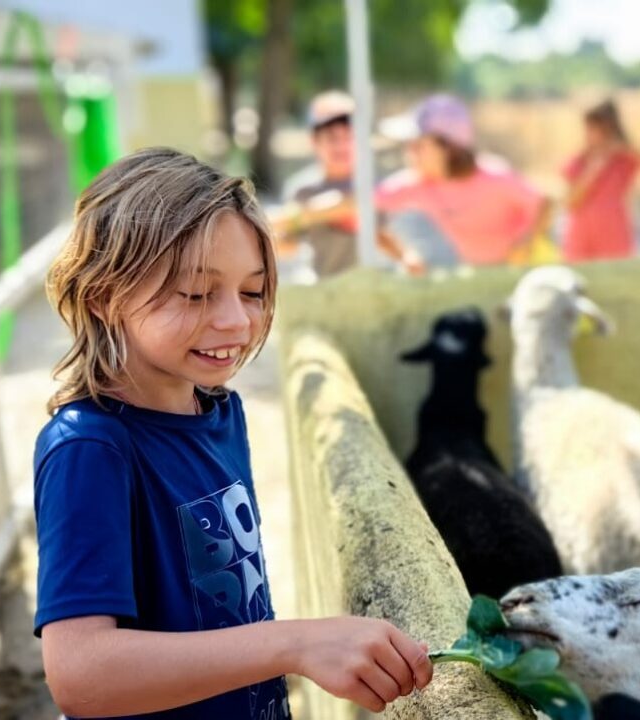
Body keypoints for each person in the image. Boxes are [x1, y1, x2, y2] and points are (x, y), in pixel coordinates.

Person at [34, 147, 432, 718]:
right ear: (103, 296)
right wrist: (295, 643)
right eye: (196, 294)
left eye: (251, 292)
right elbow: (80, 673)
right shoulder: (90, 449)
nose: (236, 321)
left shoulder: (220, 411)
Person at [375, 94, 553, 267]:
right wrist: (404, 256)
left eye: (418, 145)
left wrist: (526, 243)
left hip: (527, 270)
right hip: (480, 274)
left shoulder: (494, 177)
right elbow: (363, 210)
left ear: (448, 149)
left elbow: (543, 203)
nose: (409, 152)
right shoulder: (417, 182)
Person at [271, 91, 424, 275]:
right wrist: (280, 237)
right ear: (315, 141)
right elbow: (290, 243)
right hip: (322, 283)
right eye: (332, 138)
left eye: (348, 137)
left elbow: (380, 234)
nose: (341, 146)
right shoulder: (303, 189)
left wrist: (405, 256)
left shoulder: (372, 187)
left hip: (365, 284)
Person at [560, 100, 640, 262]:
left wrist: (624, 147)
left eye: (597, 130)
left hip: (614, 235)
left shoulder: (623, 160)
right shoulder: (579, 161)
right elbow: (571, 201)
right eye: (589, 129)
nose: (590, 135)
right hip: (582, 237)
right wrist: (596, 167)